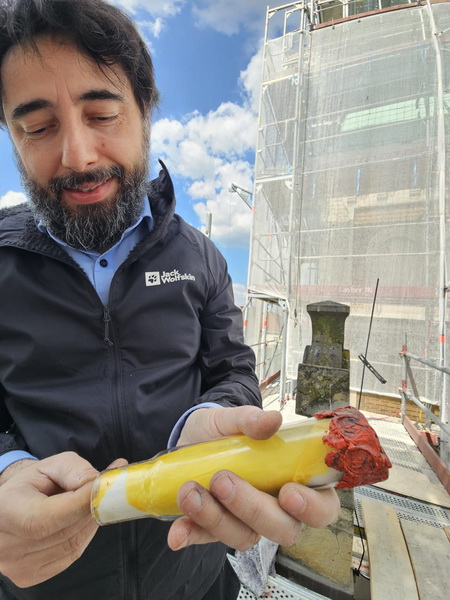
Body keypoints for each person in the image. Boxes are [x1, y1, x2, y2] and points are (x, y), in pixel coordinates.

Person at [0, 1, 340, 598]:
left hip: (194, 578)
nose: (78, 155)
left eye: (102, 114)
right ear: (10, 133)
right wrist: (7, 471)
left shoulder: (202, 257)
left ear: (145, 111)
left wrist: (208, 421)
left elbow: (234, 371)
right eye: (38, 127)